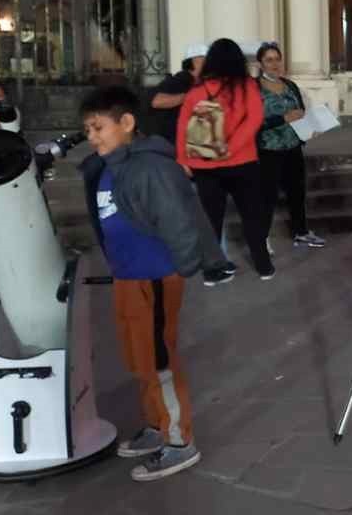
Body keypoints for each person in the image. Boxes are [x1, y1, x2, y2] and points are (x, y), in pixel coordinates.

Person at [77, 86, 228, 481]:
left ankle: (179, 441)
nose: (91, 137)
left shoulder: (150, 167)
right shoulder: (109, 166)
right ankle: (157, 424)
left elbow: (179, 219)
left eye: (98, 127)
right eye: (88, 130)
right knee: (138, 357)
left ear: (127, 123)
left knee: (160, 359)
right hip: (128, 276)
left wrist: (189, 264)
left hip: (156, 275)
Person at [176, 38, 275, 280]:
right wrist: (230, 149)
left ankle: (212, 272)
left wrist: (182, 159)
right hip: (242, 162)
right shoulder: (247, 87)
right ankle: (263, 266)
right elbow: (254, 120)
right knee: (252, 216)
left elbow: (183, 126)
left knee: (210, 220)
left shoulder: (197, 90)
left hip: (204, 164)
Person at [254, 42, 327, 250]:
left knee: (297, 193)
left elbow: (300, 113)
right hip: (268, 150)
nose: (274, 64)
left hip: (293, 148)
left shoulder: (290, 85)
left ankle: (301, 232)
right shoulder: (254, 87)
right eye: (269, 60)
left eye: (277, 59)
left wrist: (311, 127)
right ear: (260, 64)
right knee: (267, 196)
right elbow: (252, 122)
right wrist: (282, 118)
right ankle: (261, 238)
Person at [148, 43, 207, 143]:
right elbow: (157, 102)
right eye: (206, 60)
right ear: (196, 61)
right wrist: (190, 97)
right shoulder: (182, 79)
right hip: (166, 142)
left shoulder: (198, 82)